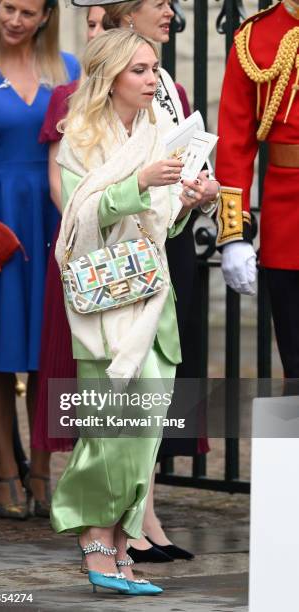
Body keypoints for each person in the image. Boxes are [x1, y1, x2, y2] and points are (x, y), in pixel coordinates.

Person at [51, 27, 212, 596]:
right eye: (140, 71)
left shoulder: (161, 133)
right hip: (103, 312)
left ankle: (121, 550)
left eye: (153, 69)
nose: (153, 80)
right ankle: (95, 546)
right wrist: (138, 182)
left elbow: (160, 227)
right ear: (110, 77)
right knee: (108, 437)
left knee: (141, 439)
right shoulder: (78, 140)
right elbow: (79, 223)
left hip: (153, 303)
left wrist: (190, 203)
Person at [102, 0, 218, 562]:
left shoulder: (168, 81)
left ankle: (147, 510)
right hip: (127, 244)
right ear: (127, 16)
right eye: (158, 4)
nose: (172, 12)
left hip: (168, 231)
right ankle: (125, 524)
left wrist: (198, 189)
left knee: (160, 383)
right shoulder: (111, 84)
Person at [0, 0, 80, 518]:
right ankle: (6, 468)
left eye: (27, 12)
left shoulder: (69, 70)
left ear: (46, 17)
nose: (14, 20)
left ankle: (42, 471)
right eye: (7, 8)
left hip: (54, 215)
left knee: (47, 351)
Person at [32, 6, 103, 455]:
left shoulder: (163, 92)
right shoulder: (69, 94)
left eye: (102, 24)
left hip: (140, 242)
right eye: (90, 24)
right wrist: (92, 228)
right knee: (81, 366)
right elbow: (58, 182)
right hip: (82, 240)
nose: (93, 33)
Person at [215, 0, 299, 379]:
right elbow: (234, 145)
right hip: (289, 219)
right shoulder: (255, 37)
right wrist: (234, 234)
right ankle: (287, 440)